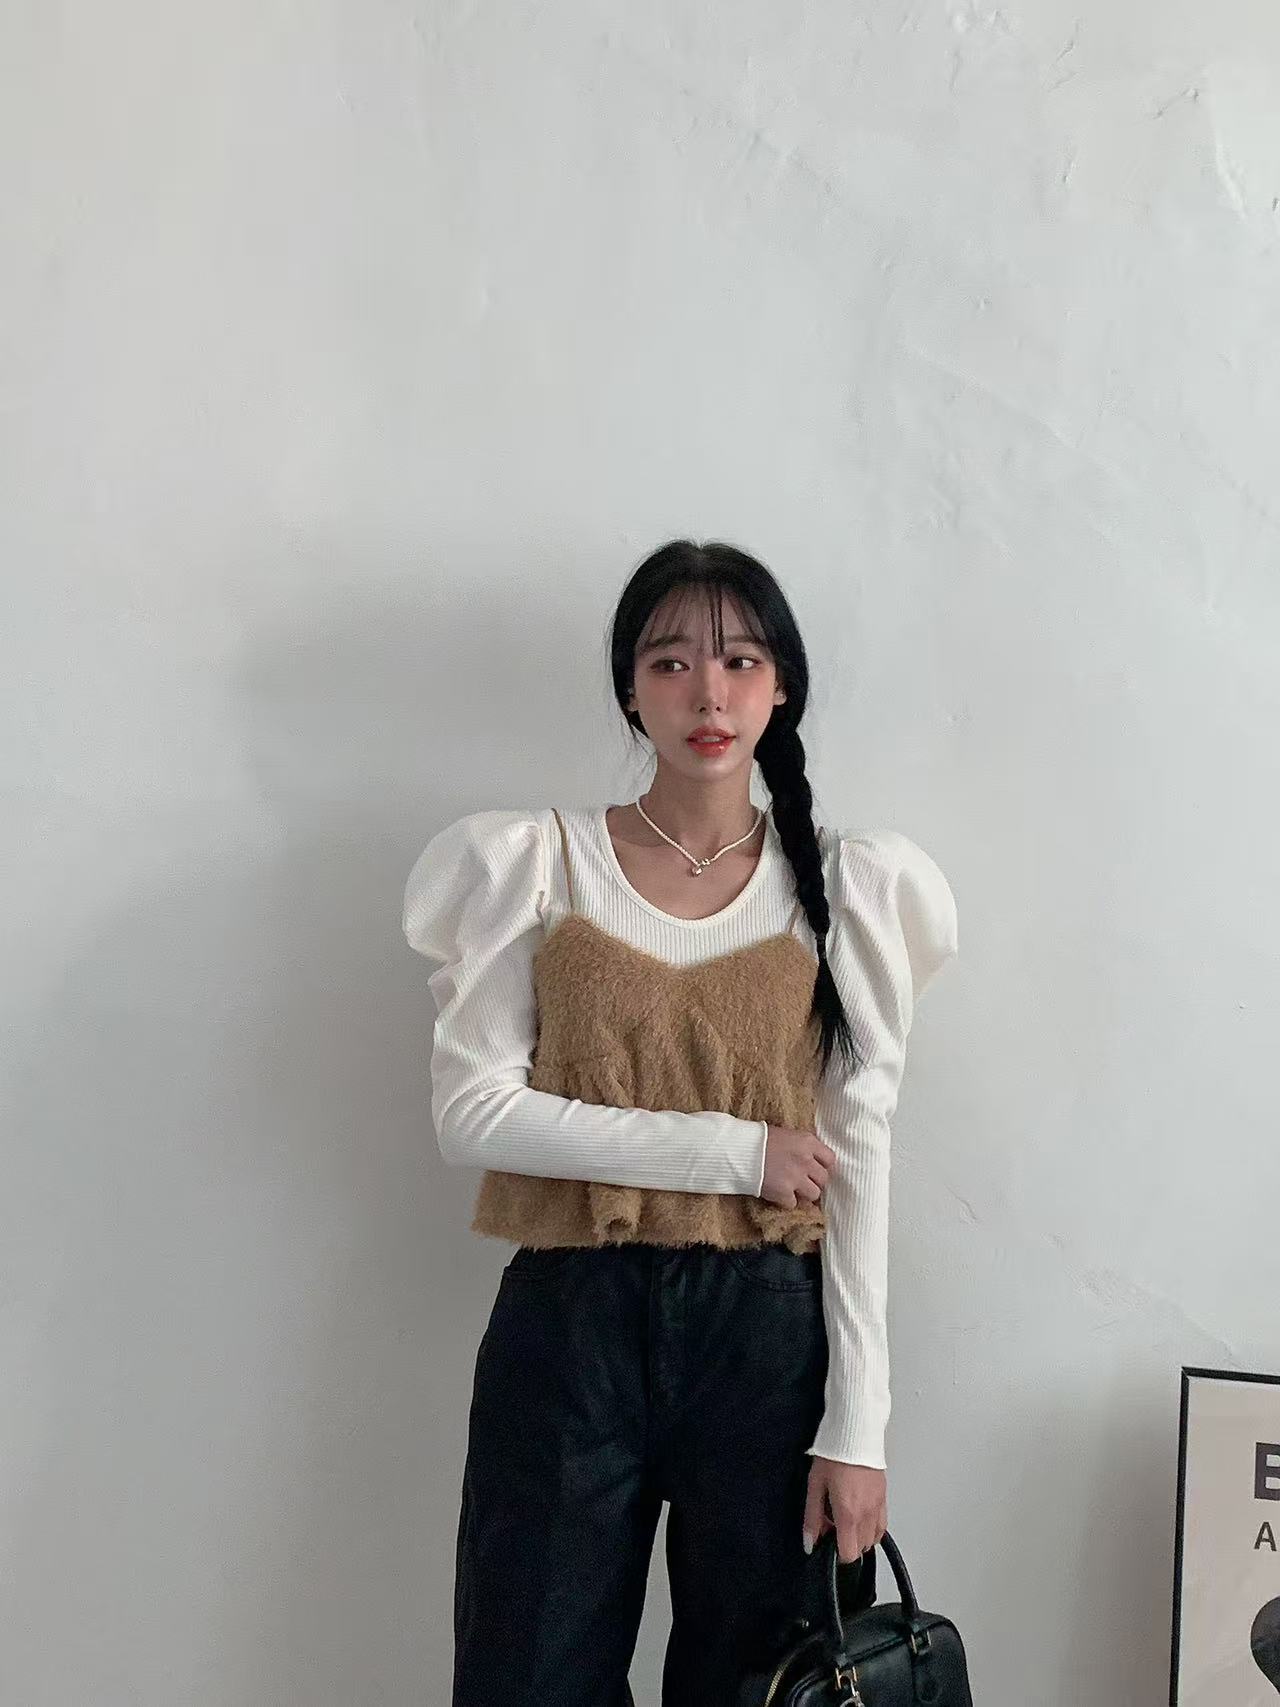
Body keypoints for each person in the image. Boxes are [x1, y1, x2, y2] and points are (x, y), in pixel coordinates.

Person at [401, 539, 959, 1707]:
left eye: (739, 662)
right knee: (525, 1675)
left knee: (759, 1685)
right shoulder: (533, 862)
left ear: (780, 685)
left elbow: (860, 1152)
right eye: (670, 663)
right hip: (569, 1323)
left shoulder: (847, 885)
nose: (708, 694)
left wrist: (857, 1426)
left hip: (765, 1335)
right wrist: (734, 1150)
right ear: (629, 689)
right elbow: (472, 1113)